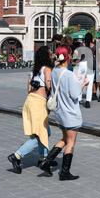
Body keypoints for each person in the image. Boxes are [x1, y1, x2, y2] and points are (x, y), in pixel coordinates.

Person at [39, 45, 89, 180]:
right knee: (71, 142)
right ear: (68, 57)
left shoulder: (55, 70)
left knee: (65, 139)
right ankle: (64, 172)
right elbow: (75, 94)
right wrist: (83, 84)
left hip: (60, 112)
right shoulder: (68, 74)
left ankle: (46, 161)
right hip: (70, 113)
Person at [8, 46, 53, 174]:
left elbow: (28, 89)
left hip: (30, 101)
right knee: (40, 134)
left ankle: (43, 158)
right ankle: (16, 156)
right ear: (46, 56)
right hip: (38, 103)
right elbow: (50, 87)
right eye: (50, 54)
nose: (52, 56)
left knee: (43, 132)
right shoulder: (47, 69)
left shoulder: (34, 70)